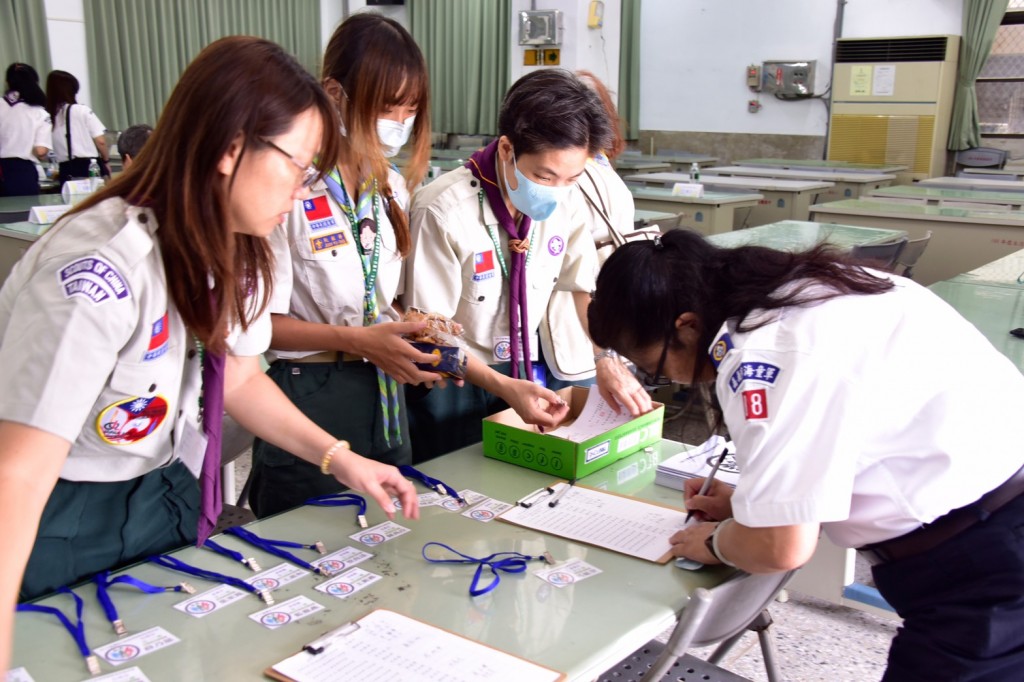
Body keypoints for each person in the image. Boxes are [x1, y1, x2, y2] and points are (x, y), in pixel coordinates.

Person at [0, 35, 419, 673]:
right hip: (61, 512)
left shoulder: (235, 248)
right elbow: (17, 475)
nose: (303, 188)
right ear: (231, 150)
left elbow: (244, 378)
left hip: (164, 491)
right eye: (298, 165)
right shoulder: (97, 272)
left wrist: (342, 460)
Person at [587, 228, 1024, 681]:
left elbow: (780, 547)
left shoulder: (762, 360)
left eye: (658, 367)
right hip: (995, 515)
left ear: (687, 324)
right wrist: (749, 502)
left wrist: (720, 540)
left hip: (982, 565)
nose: (674, 380)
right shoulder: (817, 286)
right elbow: (850, 428)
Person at [402, 68, 651, 463]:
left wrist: (605, 359)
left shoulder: (567, 201)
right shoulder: (442, 209)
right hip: (457, 378)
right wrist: (502, 386)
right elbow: (429, 333)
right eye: (543, 176)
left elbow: (580, 288)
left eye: (572, 178)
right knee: (455, 488)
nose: (556, 191)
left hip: (522, 367)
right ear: (506, 149)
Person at [246, 13, 440, 517]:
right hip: (311, 395)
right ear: (335, 93)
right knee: (307, 545)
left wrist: (413, 329)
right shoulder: (290, 186)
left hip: (384, 395)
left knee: (385, 543)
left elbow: (379, 299)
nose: (399, 122)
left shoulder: (391, 188)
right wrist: (357, 341)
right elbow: (258, 328)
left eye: (410, 109)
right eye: (387, 106)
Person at [541, 70, 637, 384]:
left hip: (573, 328)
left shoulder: (576, 178)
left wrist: (601, 354)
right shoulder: (605, 173)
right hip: (606, 322)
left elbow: (573, 269)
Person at [45, 69, 111, 182]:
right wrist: (106, 160)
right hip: (88, 166)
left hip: (65, 169)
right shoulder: (82, 110)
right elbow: (101, 141)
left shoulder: (49, 116)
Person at [0, 63, 51, 196]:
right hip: (21, 172)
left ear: (7, 82)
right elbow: (40, 151)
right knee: (22, 213)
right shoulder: (39, 113)